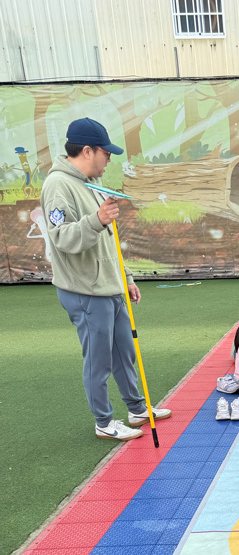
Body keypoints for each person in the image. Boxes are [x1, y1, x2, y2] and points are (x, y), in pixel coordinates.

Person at [40, 117, 170, 441]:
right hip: (85, 290)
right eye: (106, 152)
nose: (109, 158)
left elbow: (107, 240)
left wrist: (126, 277)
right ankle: (104, 421)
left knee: (124, 352)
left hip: (109, 286)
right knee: (98, 361)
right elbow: (62, 238)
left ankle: (137, 409)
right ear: (87, 150)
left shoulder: (90, 182)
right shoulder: (58, 185)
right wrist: (96, 219)